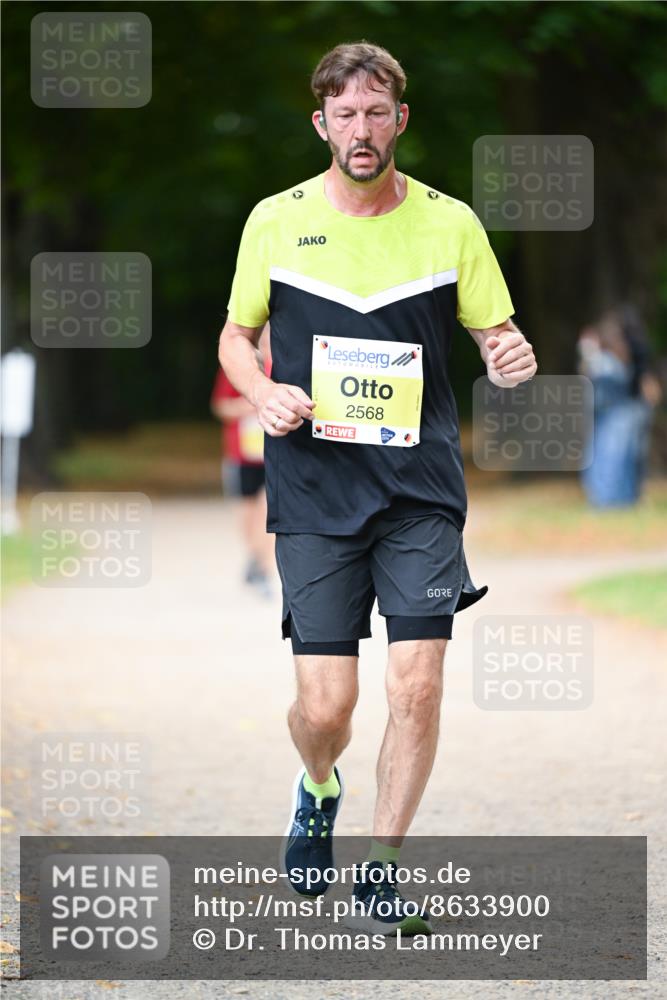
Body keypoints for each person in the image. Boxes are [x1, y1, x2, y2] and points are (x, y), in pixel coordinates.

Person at [219, 41, 537, 935]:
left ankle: (383, 867)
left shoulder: (450, 223)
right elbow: (236, 338)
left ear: (399, 119)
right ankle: (317, 785)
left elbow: (497, 336)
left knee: (417, 684)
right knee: (327, 708)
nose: (360, 130)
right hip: (314, 488)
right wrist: (261, 390)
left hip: (418, 491)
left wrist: (508, 356)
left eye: (374, 113)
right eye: (344, 115)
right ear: (321, 124)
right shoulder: (274, 221)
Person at [211, 325, 275, 594]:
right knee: (247, 516)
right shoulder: (238, 365)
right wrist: (248, 406)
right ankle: (254, 558)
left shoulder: (288, 365)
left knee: (268, 511)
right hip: (242, 455)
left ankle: (262, 567)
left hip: (274, 456)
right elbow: (220, 406)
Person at [578, 304, 661, 507]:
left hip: (623, 413)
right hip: (614, 413)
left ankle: (619, 498)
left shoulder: (615, 360)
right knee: (617, 456)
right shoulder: (604, 360)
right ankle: (612, 498)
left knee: (621, 456)